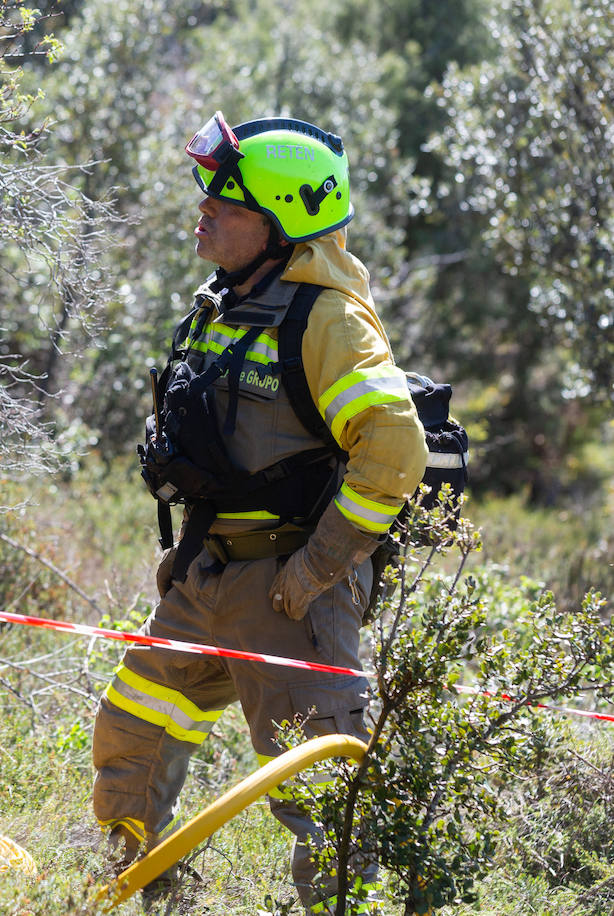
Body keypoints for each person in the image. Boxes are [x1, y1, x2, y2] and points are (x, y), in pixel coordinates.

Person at [91, 112, 428, 914]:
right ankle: (140, 891)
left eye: (227, 203)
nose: (203, 210)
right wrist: (191, 550)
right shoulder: (228, 300)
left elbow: (394, 447)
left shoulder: (329, 320)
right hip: (207, 579)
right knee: (132, 733)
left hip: (290, 594)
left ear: (282, 226)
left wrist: (318, 569)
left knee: (321, 791)